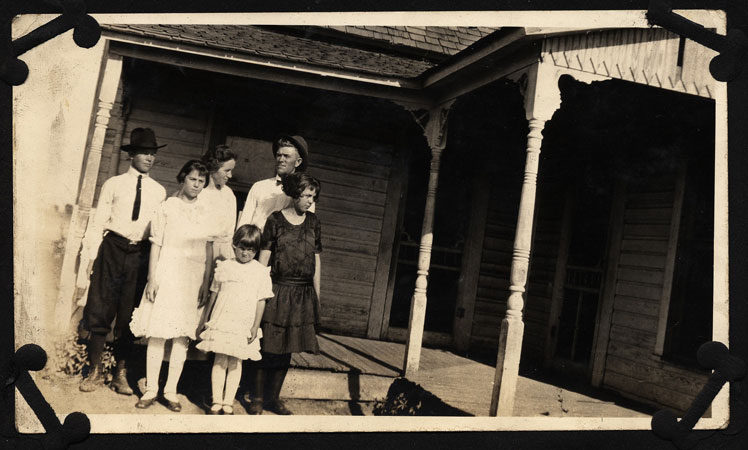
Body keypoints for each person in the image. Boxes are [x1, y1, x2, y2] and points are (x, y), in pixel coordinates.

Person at [77, 128, 167, 394]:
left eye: (152, 153)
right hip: (112, 249)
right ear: (132, 155)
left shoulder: (159, 191)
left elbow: (159, 232)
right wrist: (90, 256)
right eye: (144, 153)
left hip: (139, 255)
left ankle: (120, 374)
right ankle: (94, 371)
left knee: (130, 315)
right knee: (101, 308)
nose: (149, 158)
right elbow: (98, 222)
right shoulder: (113, 184)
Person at [129, 160, 214, 412]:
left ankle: (171, 391)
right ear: (182, 178)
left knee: (181, 337)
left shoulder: (206, 212)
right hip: (167, 273)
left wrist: (205, 282)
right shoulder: (167, 207)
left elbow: (208, 249)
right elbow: (156, 244)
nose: (197, 185)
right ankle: (151, 388)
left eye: (201, 181)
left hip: (192, 278)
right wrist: (152, 278)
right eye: (193, 179)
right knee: (158, 333)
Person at [249, 172, 323, 415]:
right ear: (294, 194)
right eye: (306, 195)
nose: (310, 201)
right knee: (268, 344)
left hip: (302, 293)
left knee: (288, 348)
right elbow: (264, 258)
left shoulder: (313, 223)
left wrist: (317, 295)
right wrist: (257, 291)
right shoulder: (276, 220)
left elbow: (316, 259)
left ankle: (273, 398)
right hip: (277, 289)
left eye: (313, 196)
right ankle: (257, 398)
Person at [196, 225, 274, 415]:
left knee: (235, 361)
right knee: (220, 359)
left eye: (251, 250)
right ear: (234, 246)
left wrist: (255, 326)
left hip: (243, 323)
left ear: (256, 251)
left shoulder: (260, 272)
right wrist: (205, 320)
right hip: (222, 319)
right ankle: (217, 401)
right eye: (242, 248)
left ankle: (228, 402)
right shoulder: (225, 266)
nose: (246, 253)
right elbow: (214, 295)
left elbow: (261, 301)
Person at [236, 134, 313, 232]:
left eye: (286, 156)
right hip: (255, 244)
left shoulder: (304, 192)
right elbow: (243, 224)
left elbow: (305, 230)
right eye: (279, 155)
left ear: (297, 162)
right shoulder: (259, 187)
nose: (281, 160)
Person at [200, 145, 238, 261]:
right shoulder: (199, 193)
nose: (230, 175)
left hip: (223, 254)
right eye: (227, 170)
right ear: (213, 168)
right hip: (200, 251)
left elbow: (231, 232)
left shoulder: (228, 194)